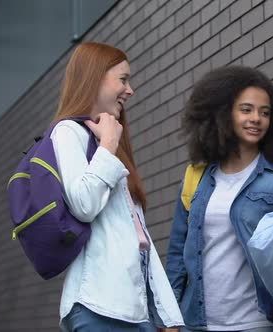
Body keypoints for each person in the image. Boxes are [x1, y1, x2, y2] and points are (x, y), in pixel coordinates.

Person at [50, 42, 183, 331]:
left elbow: (139, 239)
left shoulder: (106, 141)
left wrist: (168, 315)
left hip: (136, 308)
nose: (130, 90)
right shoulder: (68, 132)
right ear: (94, 77)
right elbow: (83, 205)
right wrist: (108, 146)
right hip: (98, 306)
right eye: (123, 79)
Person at [166, 65, 273, 332]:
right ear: (224, 114)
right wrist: (169, 316)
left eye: (265, 112)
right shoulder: (196, 178)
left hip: (253, 322)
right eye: (246, 109)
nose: (256, 119)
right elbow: (178, 252)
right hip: (196, 322)